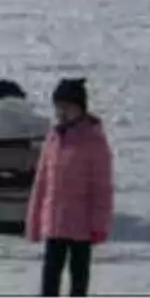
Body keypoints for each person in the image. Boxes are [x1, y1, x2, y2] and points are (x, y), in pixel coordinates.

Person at [27, 78, 114, 298]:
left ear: (80, 109)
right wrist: (35, 219)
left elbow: (102, 188)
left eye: (67, 107)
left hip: (81, 225)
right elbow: (42, 182)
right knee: (50, 275)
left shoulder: (93, 141)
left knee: (78, 276)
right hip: (54, 222)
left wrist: (99, 224)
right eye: (58, 107)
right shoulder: (54, 137)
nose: (62, 112)